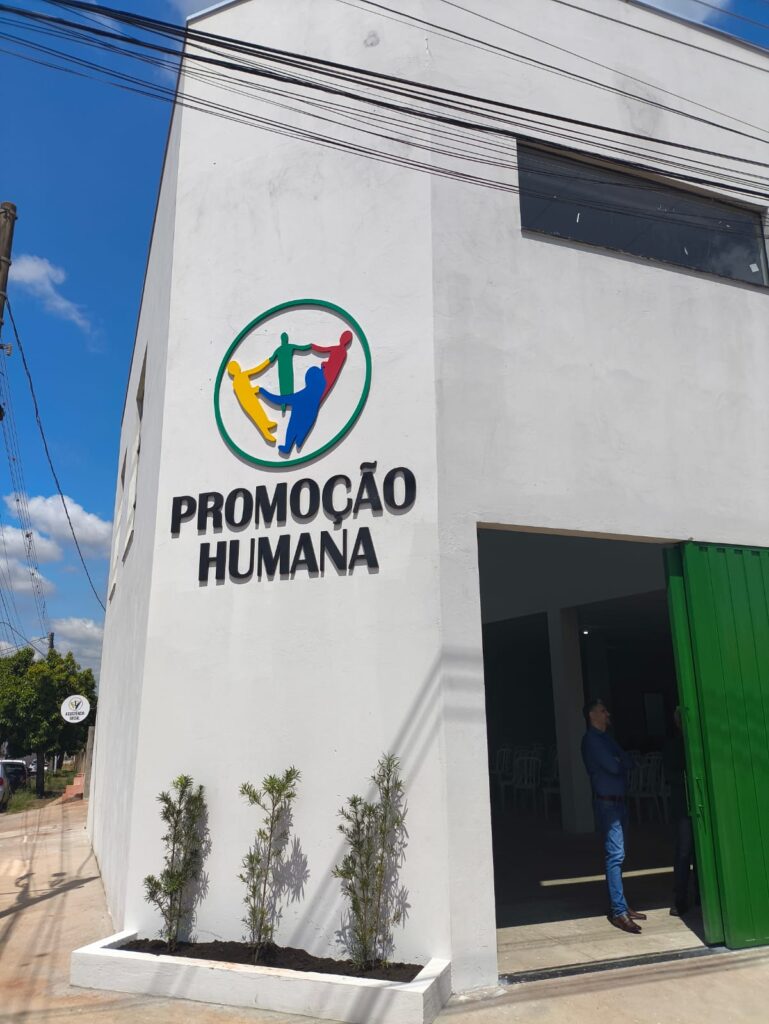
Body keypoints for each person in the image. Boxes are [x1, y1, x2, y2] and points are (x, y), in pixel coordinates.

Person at [581, 698, 647, 934]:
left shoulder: (607, 738)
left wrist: (620, 761)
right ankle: (619, 911)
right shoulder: (591, 740)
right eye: (603, 710)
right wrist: (619, 761)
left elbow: (627, 761)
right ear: (592, 715)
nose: (607, 713)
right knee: (615, 856)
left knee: (620, 855)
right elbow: (614, 766)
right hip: (607, 804)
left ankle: (623, 905)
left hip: (619, 803)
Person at [663, 707, 696, 917]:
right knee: (684, 851)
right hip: (684, 805)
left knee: (702, 852)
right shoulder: (673, 747)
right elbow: (671, 775)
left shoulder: (700, 744)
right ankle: (680, 898)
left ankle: (702, 895)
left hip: (700, 805)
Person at [259, 365, 326, 455]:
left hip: (297, 418)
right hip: (310, 417)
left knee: (292, 428)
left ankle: (288, 446)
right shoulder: (319, 391)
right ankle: (298, 440)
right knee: (301, 432)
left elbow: (279, 400)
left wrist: (263, 392)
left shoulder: (302, 395)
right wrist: (322, 370)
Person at [227, 358, 277, 443]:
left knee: (259, 411)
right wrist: (253, 390)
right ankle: (266, 433)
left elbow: (257, 369)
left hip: (248, 399)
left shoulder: (239, 378)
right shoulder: (238, 380)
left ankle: (267, 423)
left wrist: (268, 361)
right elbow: (243, 393)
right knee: (256, 416)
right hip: (247, 400)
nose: (237, 367)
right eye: (235, 367)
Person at [312, 329, 353, 399]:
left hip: (328, 371)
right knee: (322, 389)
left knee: (319, 387)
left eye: (343, 337)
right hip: (332, 375)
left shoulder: (336, 349)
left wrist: (312, 346)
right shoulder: (344, 353)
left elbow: (322, 349)